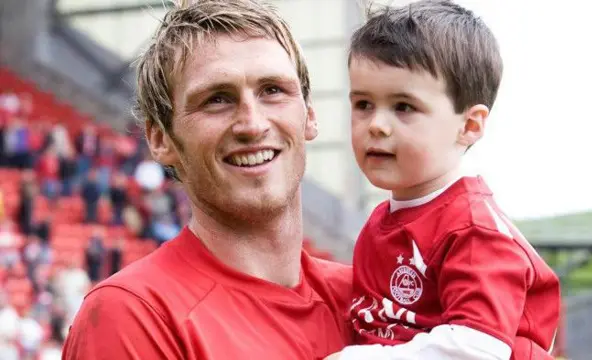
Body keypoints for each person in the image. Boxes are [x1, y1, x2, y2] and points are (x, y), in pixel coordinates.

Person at [61, 0, 352, 359]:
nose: (253, 124)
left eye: (272, 90)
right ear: (160, 139)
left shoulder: (369, 303)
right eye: (217, 99)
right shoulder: (134, 315)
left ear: (308, 114)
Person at [328, 1, 561, 359]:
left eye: (403, 106)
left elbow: (475, 349)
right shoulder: (383, 220)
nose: (376, 124)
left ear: (469, 125)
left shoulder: (473, 230)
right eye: (363, 104)